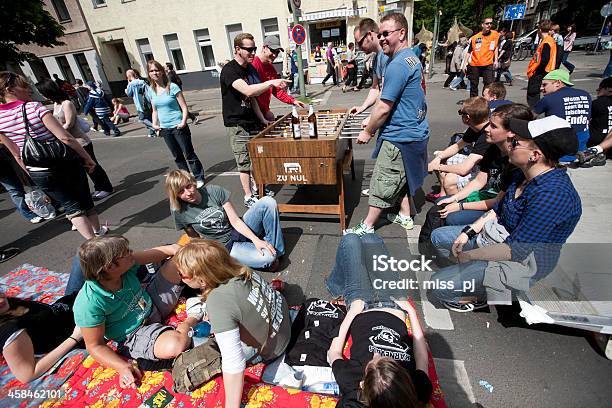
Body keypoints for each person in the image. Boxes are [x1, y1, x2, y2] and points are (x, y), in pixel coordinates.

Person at [430, 115, 582, 311]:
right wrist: (467, 232)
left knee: (438, 285)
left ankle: (481, 294)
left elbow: (515, 251)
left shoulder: (552, 195)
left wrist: (471, 256)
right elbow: (498, 209)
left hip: (519, 262)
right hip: (495, 239)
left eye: (516, 141)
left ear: (535, 155)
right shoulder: (522, 172)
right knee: (438, 237)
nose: (509, 141)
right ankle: (470, 275)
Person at [174, 239, 291, 408]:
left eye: (182, 275)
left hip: (272, 349)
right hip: (283, 324)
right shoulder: (240, 269)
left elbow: (233, 362)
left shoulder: (218, 301)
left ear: (201, 280)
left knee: (194, 343)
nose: (180, 278)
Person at [344, 13, 429, 236]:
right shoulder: (410, 58)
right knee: (400, 178)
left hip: (399, 135)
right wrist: (367, 113)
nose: (382, 38)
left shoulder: (398, 64)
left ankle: (368, 226)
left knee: (382, 182)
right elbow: (385, 94)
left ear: (402, 33)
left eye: (386, 34)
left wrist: (367, 130)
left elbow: (383, 106)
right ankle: (404, 215)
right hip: (414, 131)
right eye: (380, 34)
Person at [74, 236, 196, 389]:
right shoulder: (88, 303)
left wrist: (178, 250)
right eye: (125, 252)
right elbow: (95, 346)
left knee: (181, 260)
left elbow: (165, 251)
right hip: (135, 334)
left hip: (151, 303)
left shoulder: (124, 265)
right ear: (109, 267)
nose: (131, 252)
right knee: (175, 345)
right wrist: (122, 367)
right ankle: (191, 321)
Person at [325, 233, 432, 407]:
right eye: (386, 360)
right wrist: (411, 311)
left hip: (361, 306)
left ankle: (335, 286)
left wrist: (352, 312)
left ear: (363, 387)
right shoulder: (418, 388)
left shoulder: (352, 383)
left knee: (351, 241)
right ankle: (337, 283)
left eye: (372, 363)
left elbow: (333, 353)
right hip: (394, 305)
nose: (377, 354)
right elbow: (421, 356)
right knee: (371, 240)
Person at [0, 72, 106, 240]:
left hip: (37, 169)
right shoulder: (34, 107)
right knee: (85, 200)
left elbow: (16, 153)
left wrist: (32, 175)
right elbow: (65, 137)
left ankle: (94, 243)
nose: (29, 89)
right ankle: (99, 232)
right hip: (63, 161)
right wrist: (87, 157)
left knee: (71, 207)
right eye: (23, 85)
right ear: (9, 89)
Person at [436, 103, 534, 226]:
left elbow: (500, 201)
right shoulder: (493, 148)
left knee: (451, 218)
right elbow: (478, 181)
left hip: (501, 210)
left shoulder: (516, 161)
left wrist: (460, 205)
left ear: (510, 132)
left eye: (493, 126)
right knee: (441, 203)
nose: (486, 129)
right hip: (490, 197)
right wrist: (455, 198)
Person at [219, 33, 288, 208]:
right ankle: (248, 195)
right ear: (237, 49)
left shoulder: (250, 69)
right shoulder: (230, 70)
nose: (252, 52)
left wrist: (262, 119)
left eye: (254, 49)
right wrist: (272, 82)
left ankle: (258, 189)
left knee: (257, 159)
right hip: (237, 124)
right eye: (249, 49)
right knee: (244, 163)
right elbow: (248, 91)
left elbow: (253, 98)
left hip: (252, 121)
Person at [165, 169, 284, 270]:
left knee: (268, 202)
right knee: (268, 257)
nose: (188, 193)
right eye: (181, 191)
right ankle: (266, 254)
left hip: (237, 229)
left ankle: (276, 251)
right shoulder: (178, 211)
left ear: (193, 182)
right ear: (176, 195)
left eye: (188, 186)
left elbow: (235, 221)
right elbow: (194, 238)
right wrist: (208, 258)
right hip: (225, 247)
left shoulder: (213, 191)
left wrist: (255, 240)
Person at [35, 79, 114, 200]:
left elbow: (69, 123)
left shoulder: (67, 103)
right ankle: (98, 187)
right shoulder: (56, 104)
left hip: (80, 141)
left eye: (41, 92)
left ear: (48, 91)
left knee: (92, 164)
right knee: (82, 168)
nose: (41, 95)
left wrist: (56, 131)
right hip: (68, 142)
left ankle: (106, 187)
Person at [0, 289, 83, 383]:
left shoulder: (10, 304)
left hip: (66, 304)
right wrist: (75, 337)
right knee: (96, 280)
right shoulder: (9, 330)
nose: (1, 300)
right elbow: (27, 375)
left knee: (84, 275)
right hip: (77, 320)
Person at [147, 60, 205, 187]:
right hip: (165, 129)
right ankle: (186, 179)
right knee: (177, 156)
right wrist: (154, 124)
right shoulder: (151, 90)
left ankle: (199, 176)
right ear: (149, 73)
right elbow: (155, 110)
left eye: (157, 70)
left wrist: (183, 122)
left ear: (162, 72)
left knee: (188, 153)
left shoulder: (172, 87)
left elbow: (184, 107)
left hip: (178, 126)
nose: (155, 73)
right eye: (152, 71)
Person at [427, 97, 490, 200]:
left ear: (467, 117)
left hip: (488, 173)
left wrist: (436, 166)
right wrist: (438, 158)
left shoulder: (486, 136)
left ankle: (457, 205)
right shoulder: (476, 127)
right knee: (443, 156)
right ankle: (442, 197)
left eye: (460, 112)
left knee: (450, 180)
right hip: (477, 163)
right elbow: (457, 146)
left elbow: (464, 169)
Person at [534, 69, 591, 161]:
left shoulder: (549, 99)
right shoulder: (585, 94)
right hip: (581, 150)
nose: (541, 88)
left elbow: (529, 116)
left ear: (558, 83)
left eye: (544, 85)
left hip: (559, 153)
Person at [252, 35, 306, 123]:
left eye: (277, 52)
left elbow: (277, 90)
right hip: (254, 114)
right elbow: (252, 94)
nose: (274, 55)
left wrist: (293, 101)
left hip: (264, 112)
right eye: (273, 51)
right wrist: (265, 112)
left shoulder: (270, 67)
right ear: (264, 48)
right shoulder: (254, 64)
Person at [349, 18, 389, 129]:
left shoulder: (387, 56)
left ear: (370, 35)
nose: (359, 47)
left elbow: (386, 94)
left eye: (360, 42)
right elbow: (376, 88)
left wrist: (372, 119)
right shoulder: (376, 57)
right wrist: (362, 107)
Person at [0, 143, 49, 223]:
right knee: (15, 190)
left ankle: (50, 205)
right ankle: (30, 214)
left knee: (33, 180)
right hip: (3, 166)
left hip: (12, 155)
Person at [462, 17, 499, 98]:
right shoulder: (475, 37)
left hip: (488, 63)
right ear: (482, 25)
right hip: (475, 64)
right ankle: (474, 101)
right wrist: (464, 64)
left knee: (488, 84)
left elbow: (496, 47)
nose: (489, 25)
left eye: (490, 23)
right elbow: (469, 51)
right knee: (474, 84)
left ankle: (485, 100)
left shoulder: (495, 34)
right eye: (487, 23)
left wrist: (496, 60)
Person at [526, 20, 557, 108]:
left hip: (540, 72)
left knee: (533, 94)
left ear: (539, 29)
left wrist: (536, 72)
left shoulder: (547, 42)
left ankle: (534, 112)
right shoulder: (549, 40)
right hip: (546, 71)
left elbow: (544, 60)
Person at [125, 68, 156, 137]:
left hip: (139, 104)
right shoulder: (142, 81)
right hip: (147, 103)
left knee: (142, 119)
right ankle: (152, 133)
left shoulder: (131, 84)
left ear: (129, 76)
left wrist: (128, 83)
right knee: (149, 117)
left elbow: (129, 94)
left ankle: (154, 128)